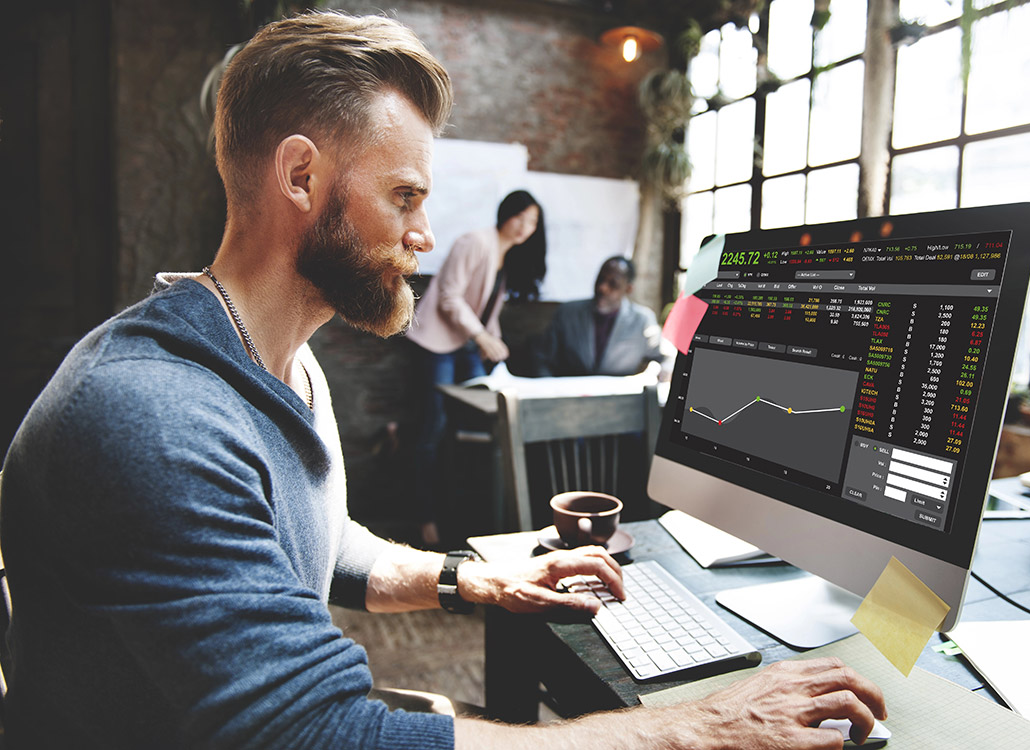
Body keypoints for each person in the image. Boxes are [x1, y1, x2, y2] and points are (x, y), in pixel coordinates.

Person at [0, 11, 886, 750]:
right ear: (301, 176)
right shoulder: (152, 419)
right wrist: (696, 731)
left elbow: (320, 542)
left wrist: (473, 579)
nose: (423, 233)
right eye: (405, 197)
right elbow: (327, 736)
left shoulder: (282, 361)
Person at [404, 189, 545, 545]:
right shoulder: (474, 242)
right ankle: (423, 517)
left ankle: (462, 514)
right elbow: (449, 297)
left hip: (466, 345)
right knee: (433, 429)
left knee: (473, 428)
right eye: (521, 218)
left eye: (533, 223)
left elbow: (487, 311)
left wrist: (493, 343)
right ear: (506, 213)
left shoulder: (507, 256)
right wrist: (483, 337)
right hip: (438, 343)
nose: (525, 228)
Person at [534, 256, 666, 378]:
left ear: (628, 289)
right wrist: (551, 390)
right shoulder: (567, 313)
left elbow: (666, 357)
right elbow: (542, 358)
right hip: (569, 397)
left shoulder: (642, 320)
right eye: (600, 279)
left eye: (613, 284)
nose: (602, 288)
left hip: (620, 399)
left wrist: (664, 372)